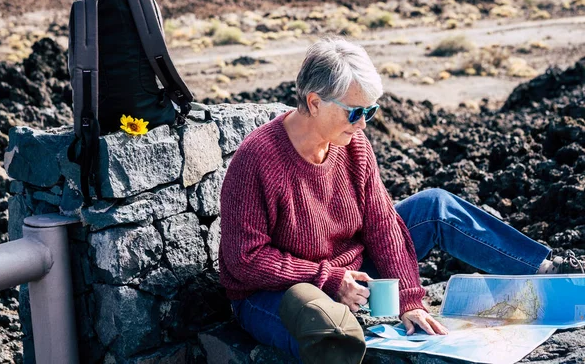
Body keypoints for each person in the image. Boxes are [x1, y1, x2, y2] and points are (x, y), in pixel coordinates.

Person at [218, 37, 585, 361]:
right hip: (276, 291)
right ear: (314, 102)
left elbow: (383, 224)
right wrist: (328, 279)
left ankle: (548, 274)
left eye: (370, 111)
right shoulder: (257, 160)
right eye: (355, 111)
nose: (363, 123)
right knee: (330, 330)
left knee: (434, 207)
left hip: (352, 272)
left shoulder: (353, 144)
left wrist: (409, 297)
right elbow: (244, 260)